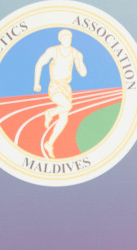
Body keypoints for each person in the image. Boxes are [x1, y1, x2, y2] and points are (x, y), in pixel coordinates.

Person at [33, 29, 85, 158]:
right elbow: (39, 64)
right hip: (55, 86)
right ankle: (49, 113)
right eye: (65, 37)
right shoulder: (53, 50)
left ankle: (49, 144)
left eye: (69, 38)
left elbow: (83, 73)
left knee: (64, 119)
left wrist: (80, 60)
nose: (67, 40)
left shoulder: (75, 53)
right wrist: (36, 83)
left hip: (66, 88)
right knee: (67, 106)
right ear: (60, 39)